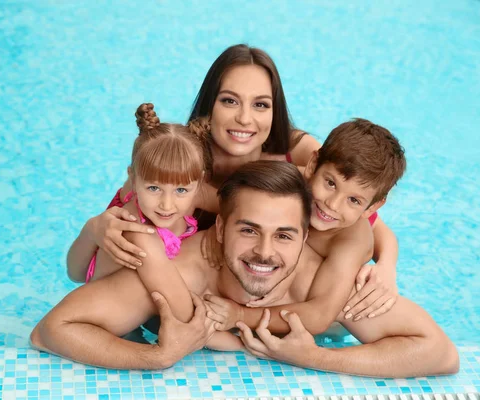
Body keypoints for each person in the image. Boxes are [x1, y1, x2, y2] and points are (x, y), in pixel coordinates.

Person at [30, 161, 459, 378]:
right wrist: (156, 356)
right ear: (219, 231)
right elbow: (50, 329)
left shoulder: (319, 283)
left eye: (285, 235)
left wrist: (317, 357)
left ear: (305, 238)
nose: (265, 253)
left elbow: (441, 354)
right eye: (249, 230)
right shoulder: (177, 270)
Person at [69, 44, 399, 317]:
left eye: (260, 105)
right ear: (209, 105)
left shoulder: (298, 153)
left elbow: (363, 216)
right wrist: (96, 228)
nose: (244, 118)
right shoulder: (182, 158)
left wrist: (387, 266)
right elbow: (127, 215)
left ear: (275, 110)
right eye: (229, 101)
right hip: (187, 288)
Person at [205, 119, 404, 336]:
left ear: (372, 206)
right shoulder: (287, 184)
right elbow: (235, 203)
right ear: (311, 166)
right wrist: (215, 228)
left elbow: (320, 316)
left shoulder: (352, 238)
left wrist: (240, 316)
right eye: (330, 183)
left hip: (328, 323)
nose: (333, 204)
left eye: (354, 200)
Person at [67, 103, 210, 323]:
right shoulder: (135, 229)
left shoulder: (180, 213)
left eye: (181, 190)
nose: (166, 204)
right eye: (154, 188)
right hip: (105, 316)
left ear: (199, 183)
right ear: (132, 179)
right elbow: (183, 315)